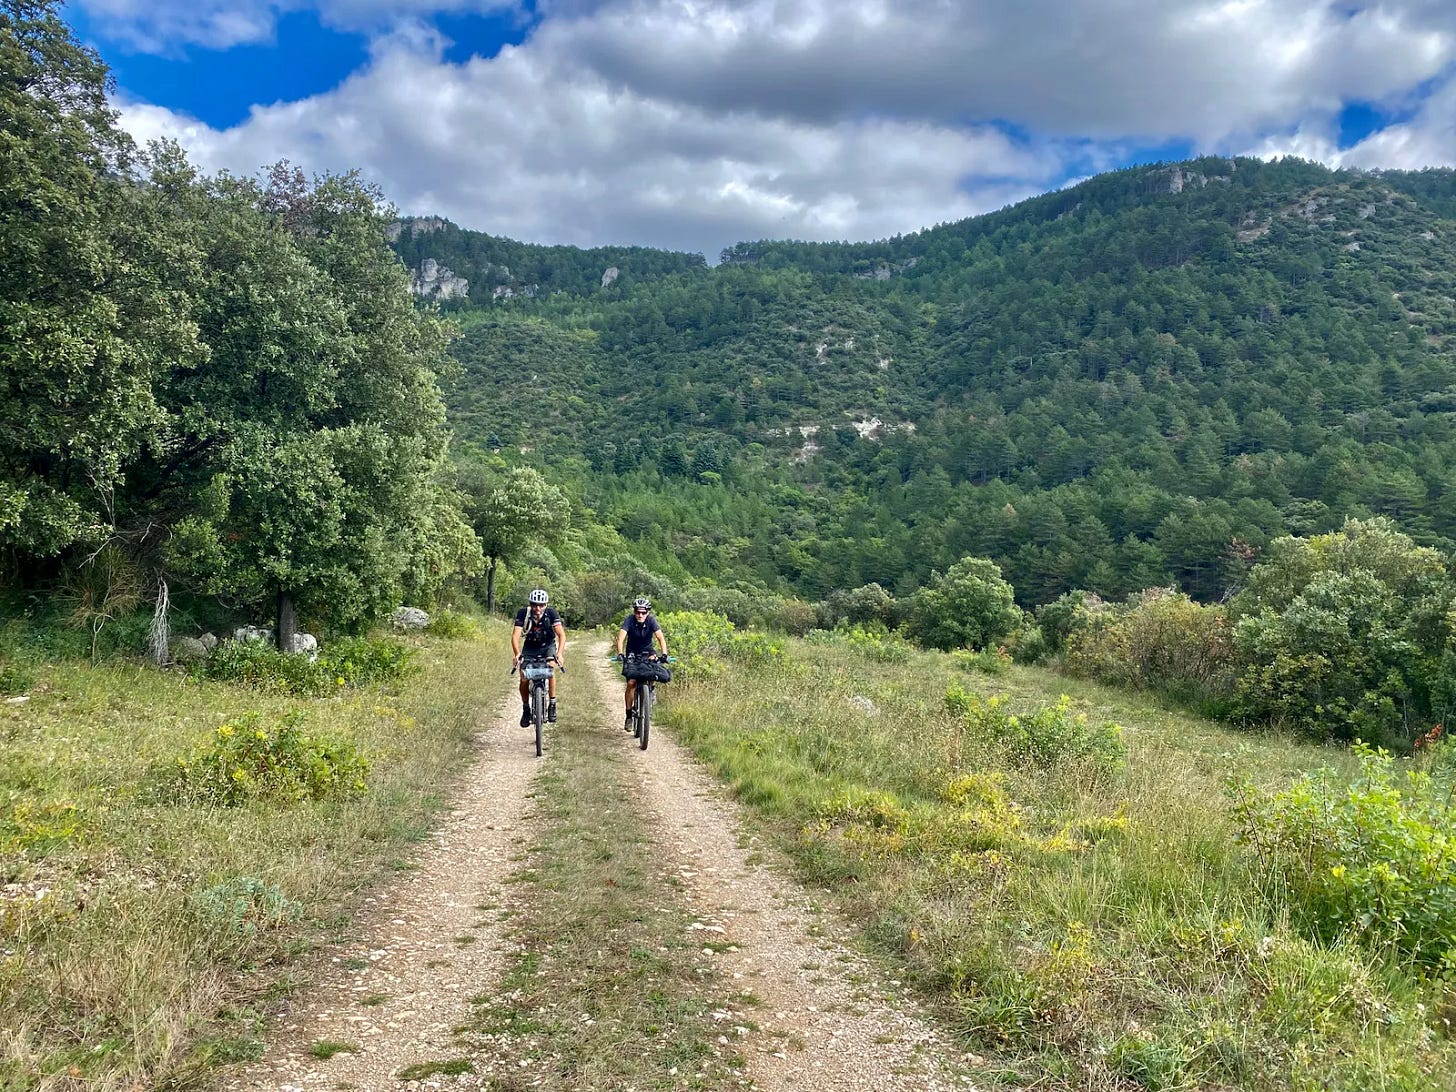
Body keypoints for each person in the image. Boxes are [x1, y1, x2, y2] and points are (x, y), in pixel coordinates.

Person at [512, 588, 566, 727]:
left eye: (541, 605)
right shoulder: (523, 613)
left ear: (546, 605)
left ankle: (552, 704)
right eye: (535, 604)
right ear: (530, 604)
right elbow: (515, 636)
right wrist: (517, 653)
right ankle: (525, 708)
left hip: (548, 645)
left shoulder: (551, 613)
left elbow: (561, 635)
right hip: (530, 647)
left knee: (550, 668)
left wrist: (559, 654)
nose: (538, 608)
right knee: (524, 676)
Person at [616, 596, 668, 731]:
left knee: (653, 671)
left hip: (648, 651)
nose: (640, 615)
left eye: (643, 612)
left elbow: (660, 637)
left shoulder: (651, 621)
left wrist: (664, 654)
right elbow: (621, 637)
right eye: (638, 612)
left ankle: (651, 690)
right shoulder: (629, 620)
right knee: (631, 683)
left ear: (647, 612)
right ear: (634, 612)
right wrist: (620, 653)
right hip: (632, 652)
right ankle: (628, 716)